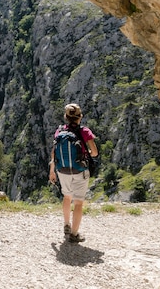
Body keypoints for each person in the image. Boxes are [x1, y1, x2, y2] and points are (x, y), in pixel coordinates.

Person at [48, 103, 99, 243]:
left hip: (62, 170)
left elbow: (54, 152)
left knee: (67, 197)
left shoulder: (59, 132)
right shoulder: (85, 131)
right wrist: (85, 154)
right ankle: (74, 234)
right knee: (78, 203)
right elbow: (94, 153)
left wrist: (52, 171)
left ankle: (66, 225)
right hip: (80, 170)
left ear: (66, 117)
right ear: (80, 117)